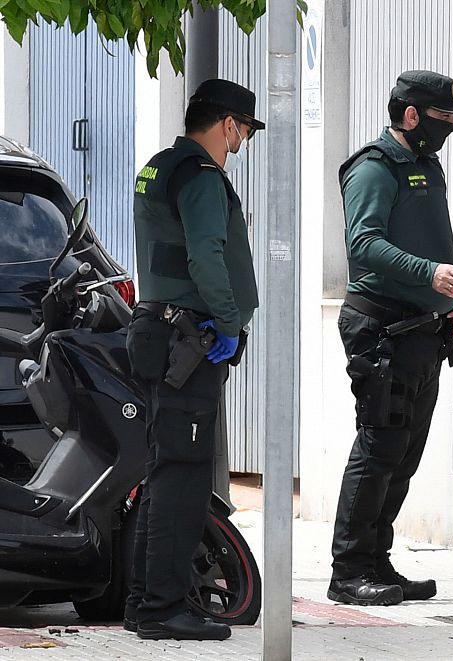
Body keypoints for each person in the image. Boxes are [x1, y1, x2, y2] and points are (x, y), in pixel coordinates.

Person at [328, 70, 453, 606]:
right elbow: (364, 243)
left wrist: (448, 301)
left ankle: (376, 560)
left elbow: (431, 240)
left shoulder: (427, 165)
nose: (449, 126)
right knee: (378, 448)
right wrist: (430, 275)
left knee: (404, 455)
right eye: (442, 117)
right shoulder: (374, 167)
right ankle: (348, 571)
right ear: (411, 115)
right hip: (381, 329)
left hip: (422, 331)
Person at [124, 79, 262, 640]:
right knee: (182, 477)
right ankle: (162, 609)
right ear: (228, 125)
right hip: (189, 338)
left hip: (158, 330)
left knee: (163, 473)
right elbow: (207, 255)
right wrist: (228, 322)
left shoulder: (158, 167)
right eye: (244, 130)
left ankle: (143, 603)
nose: (242, 141)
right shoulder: (203, 177)